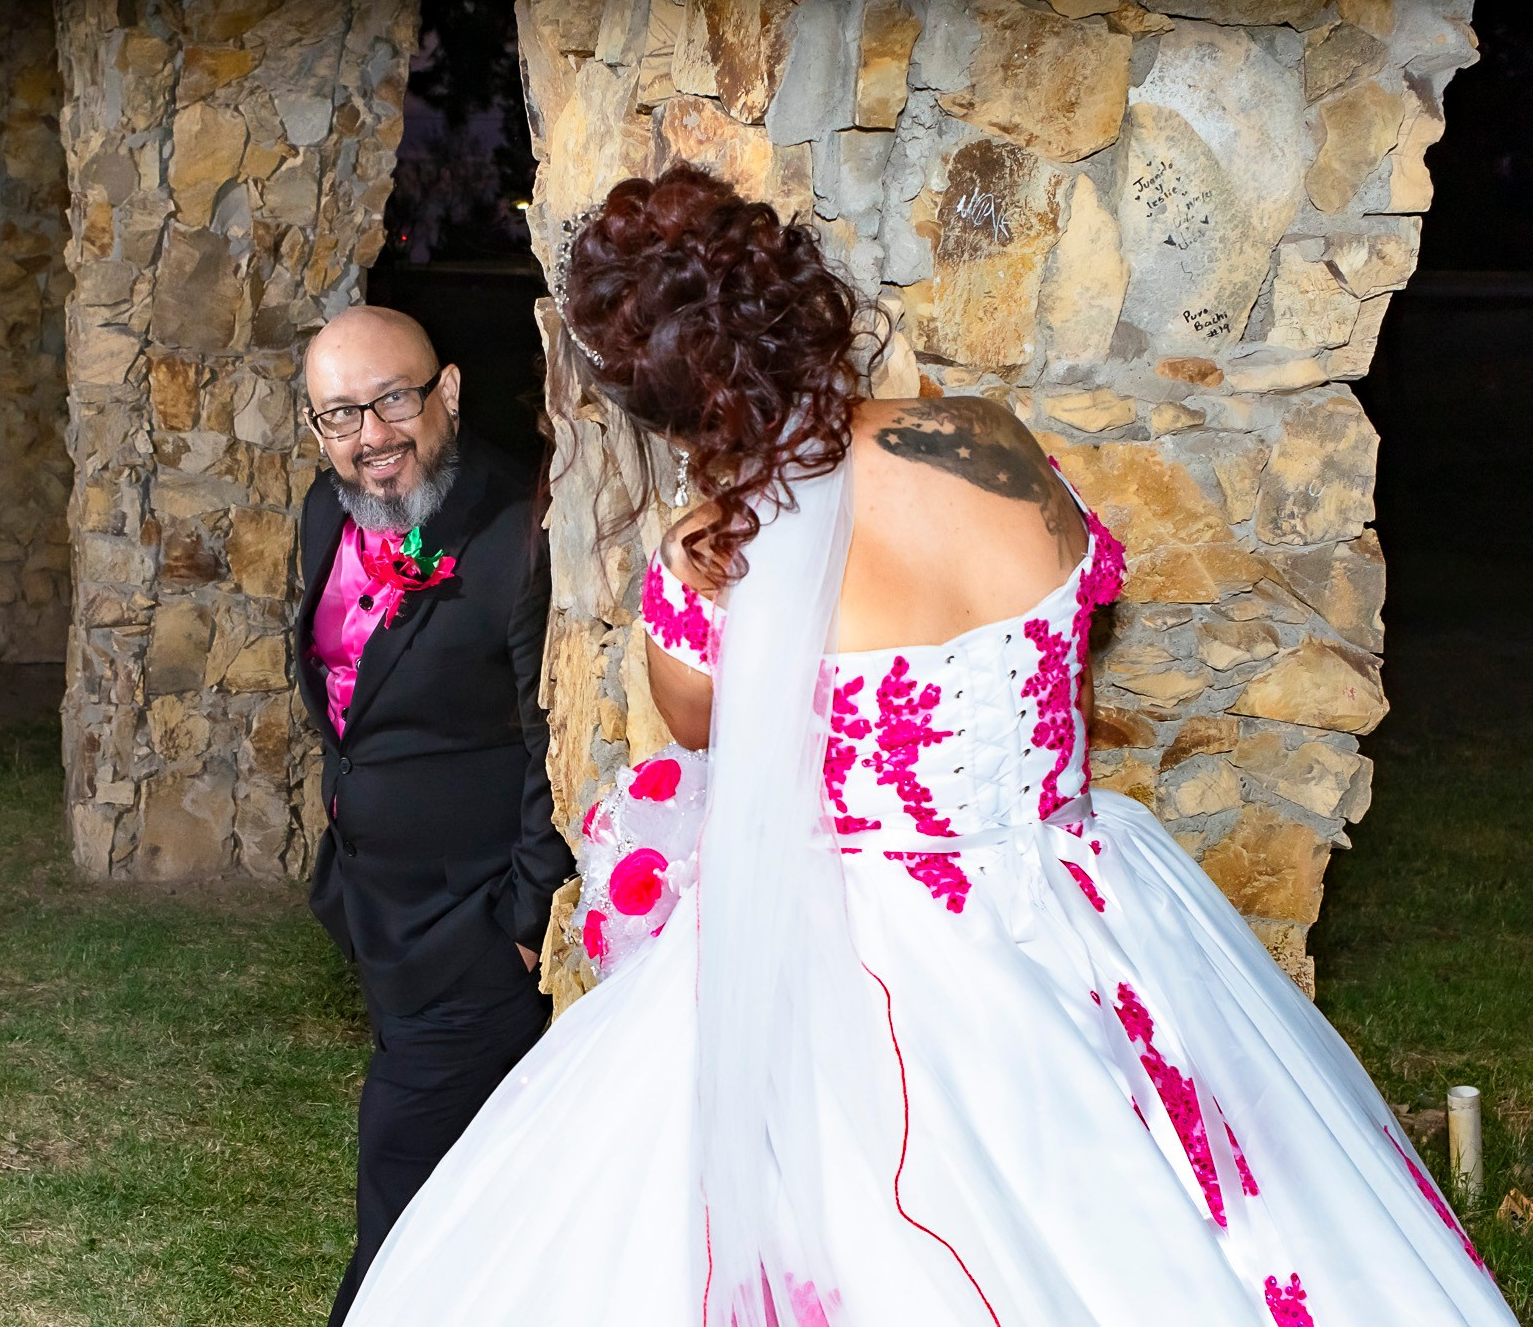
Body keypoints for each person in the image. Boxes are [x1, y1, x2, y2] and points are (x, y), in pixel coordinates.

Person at [337, 168, 1517, 1325]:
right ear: (798, 303)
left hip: (856, 957)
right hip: (1082, 900)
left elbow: (714, 742)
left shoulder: (704, 566)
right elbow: (1080, 598)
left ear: (661, 402)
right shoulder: (989, 445)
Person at [293, 306, 575, 1325]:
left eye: (393, 400)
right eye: (338, 414)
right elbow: (343, 699)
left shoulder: (515, 530)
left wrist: (518, 918)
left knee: (400, 1174)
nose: (370, 435)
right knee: (463, 1184)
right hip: (371, 911)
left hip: (469, 932)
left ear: (446, 389)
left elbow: (554, 734)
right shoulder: (327, 514)